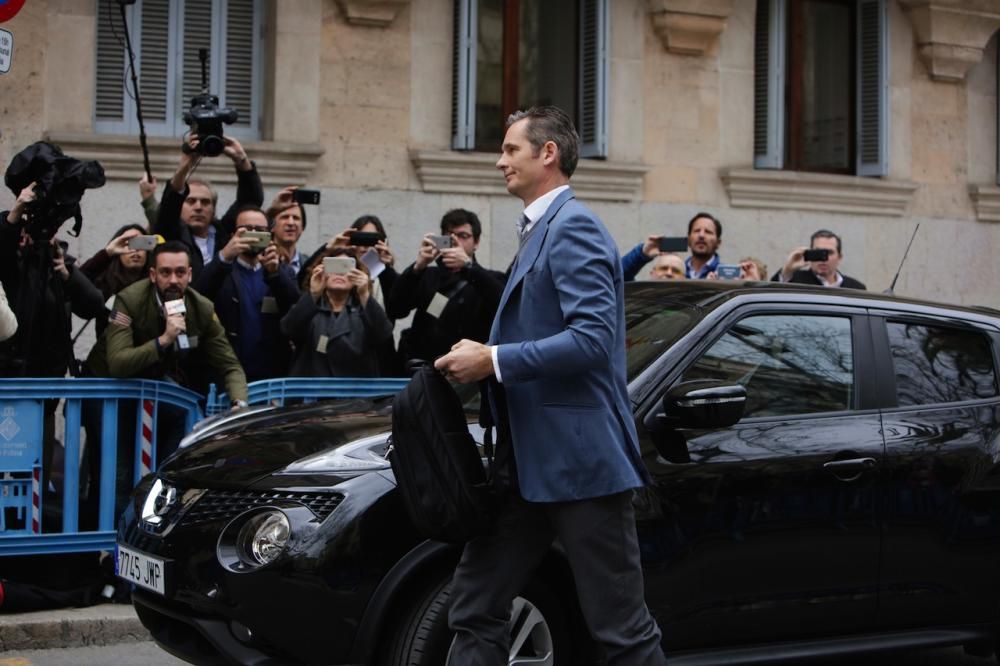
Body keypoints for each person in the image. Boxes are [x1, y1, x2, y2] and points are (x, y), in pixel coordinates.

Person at [434, 106, 667, 665]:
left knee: (621, 632)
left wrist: (494, 359)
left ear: (548, 154)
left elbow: (591, 340)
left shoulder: (575, 225)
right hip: (526, 466)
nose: (499, 161)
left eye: (511, 149)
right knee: (473, 605)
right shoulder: (540, 228)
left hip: (581, 466)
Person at [95, 241, 248, 465]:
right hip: (108, 384)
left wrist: (239, 405)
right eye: (166, 273)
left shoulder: (201, 307)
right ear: (153, 275)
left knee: (183, 417)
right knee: (117, 467)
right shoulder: (129, 300)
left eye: (180, 272)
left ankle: (167, 478)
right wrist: (164, 340)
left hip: (154, 381)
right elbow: (118, 363)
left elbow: (230, 365)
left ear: (190, 275)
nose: (173, 280)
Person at [193, 206, 299, 381]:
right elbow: (197, 298)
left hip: (270, 375)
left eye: (260, 231)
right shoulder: (220, 269)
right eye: (246, 230)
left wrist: (275, 274)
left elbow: (296, 309)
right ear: (233, 235)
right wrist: (224, 257)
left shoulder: (283, 272)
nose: (254, 235)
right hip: (228, 373)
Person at [387, 209, 505, 365]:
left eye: (463, 236)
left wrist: (469, 267)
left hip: (469, 371)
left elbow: (503, 308)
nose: (455, 241)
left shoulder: (490, 278)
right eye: (449, 236)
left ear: (476, 243)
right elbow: (396, 309)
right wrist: (417, 267)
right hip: (426, 369)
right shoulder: (428, 275)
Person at [153, 135, 264, 280]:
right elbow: (169, 207)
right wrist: (184, 166)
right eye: (191, 201)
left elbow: (251, 200)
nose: (198, 207)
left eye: (205, 202)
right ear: (180, 206)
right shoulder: (172, 234)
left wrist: (241, 160)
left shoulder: (224, 233)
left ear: (214, 209)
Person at [281, 248, 393, 377]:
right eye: (333, 267)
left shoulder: (365, 309)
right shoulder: (309, 306)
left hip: (354, 391)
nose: (339, 274)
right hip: (313, 390)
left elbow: (383, 335)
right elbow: (289, 329)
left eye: (346, 268)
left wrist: (364, 294)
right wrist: (313, 293)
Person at [620, 212, 723, 281]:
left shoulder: (724, 276)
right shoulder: (675, 268)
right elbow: (617, 277)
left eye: (708, 232)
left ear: (718, 242)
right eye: (696, 231)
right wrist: (642, 254)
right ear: (688, 239)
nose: (701, 235)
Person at [772, 229, 866, 289]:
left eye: (829, 253)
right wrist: (787, 270)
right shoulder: (795, 281)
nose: (823, 259)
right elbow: (772, 295)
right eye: (818, 252)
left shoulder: (856, 288)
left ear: (839, 257)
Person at [265, 186, 308, 276]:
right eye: (284, 217)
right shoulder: (262, 259)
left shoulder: (309, 264)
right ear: (272, 226)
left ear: (302, 227)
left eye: (296, 218)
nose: (291, 223)